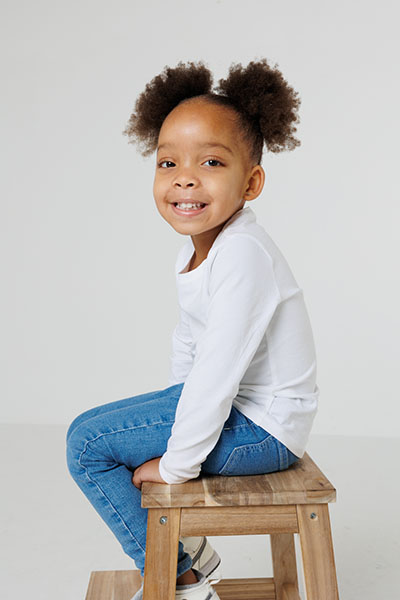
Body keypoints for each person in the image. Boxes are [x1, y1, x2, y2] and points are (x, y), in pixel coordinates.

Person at [66, 58, 319, 600]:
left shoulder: (243, 254)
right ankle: (189, 556)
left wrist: (177, 464)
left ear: (251, 182)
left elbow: (217, 373)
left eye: (210, 161)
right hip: (241, 411)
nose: (184, 177)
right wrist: (169, 422)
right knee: (91, 429)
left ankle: (180, 579)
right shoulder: (197, 250)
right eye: (167, 162)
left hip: (265, 429)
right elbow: (190, 347)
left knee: (88, 445)